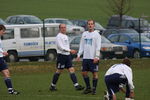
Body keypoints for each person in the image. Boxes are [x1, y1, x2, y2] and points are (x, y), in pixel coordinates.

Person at [49, 24, 84, 91]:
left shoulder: (65, 36)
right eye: (62, 27)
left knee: (71, 69)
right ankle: (52, 86)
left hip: (67, 56)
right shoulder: (58, 36)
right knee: (59, 71)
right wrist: (70, 50)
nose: (63, 29)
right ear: (59, 29)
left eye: (64, 27)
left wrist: (69, 51)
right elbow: (61, 47)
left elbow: (66, 46)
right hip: (61, 56)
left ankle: (76, 85)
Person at [76, 20, 101, 95]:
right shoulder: (84, 34)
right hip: (85, 58)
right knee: (84, 73)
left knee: (94, 74)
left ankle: (94, 89)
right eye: (89, 24)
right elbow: (81, 45)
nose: (90, 25)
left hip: (93, 58)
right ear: (87, 25)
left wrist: (97, 56)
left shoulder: (97, 34)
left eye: (91, 24)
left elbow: (98, 46)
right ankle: (88, 88)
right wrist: (78, 55)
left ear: (94, 25)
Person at [0, 24, 19, 95]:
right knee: (6, 73)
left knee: (6, 72)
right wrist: (3, 52)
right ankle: (10, 90)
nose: (3, 32)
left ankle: (10, 90)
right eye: (3, 31)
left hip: (0, 58)